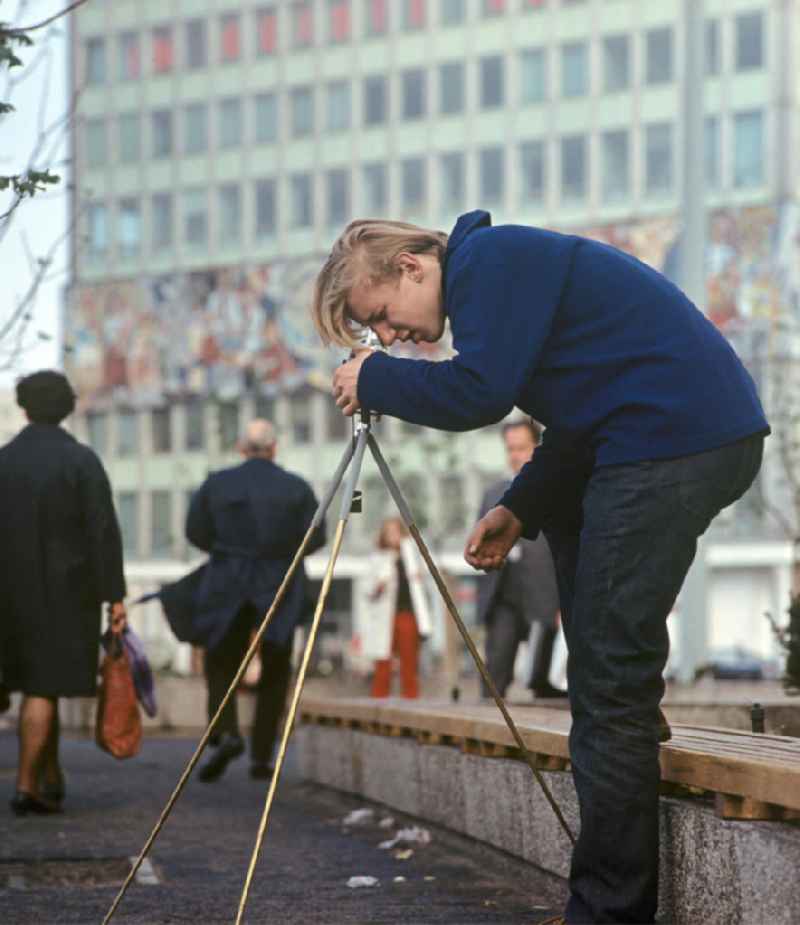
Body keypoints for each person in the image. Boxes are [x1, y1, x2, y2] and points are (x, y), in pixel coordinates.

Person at [312, 211, 769, 925]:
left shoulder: (487, 262)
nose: (392, 337)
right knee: (602, 657)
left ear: (409, 266)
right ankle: (624, 744)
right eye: (377, 336)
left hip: (672, 438)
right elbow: (583, 416)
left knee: (608, 681)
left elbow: (479, 392)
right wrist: (520, 506)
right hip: (667, 433)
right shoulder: (495, 273)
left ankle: (607, 909)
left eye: (381, 318)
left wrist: (375, 378)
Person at [0, 371, 126, 816]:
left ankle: (51, 777)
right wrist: (115, 596)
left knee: (38, 687)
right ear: (68, 407)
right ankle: (26, 785)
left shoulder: (4, 460)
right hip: (67, 594)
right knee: (43, 686)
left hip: (9, 593)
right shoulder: (81, 461)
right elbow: (103, 534)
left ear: (24, 407)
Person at [180, 419, 325, 783]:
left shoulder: (217, 483)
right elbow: (317, 534)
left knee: (220, 660)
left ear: (241, 448)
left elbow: (194, 530)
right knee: (276, 667)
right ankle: (262, 756)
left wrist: (226, 551)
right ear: (274, 448)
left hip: (228, 577)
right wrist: (283, 554)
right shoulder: (296, 487)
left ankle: (227, 731)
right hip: (279, 578)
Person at [477, 419, 564, 701]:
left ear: (537, 448)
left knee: (543, 680)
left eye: (521, 448)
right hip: (503, 593)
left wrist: (563, 600)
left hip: (543, 594)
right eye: (510, 449)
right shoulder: (491, 493)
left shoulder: (555, 490)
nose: (514, 455)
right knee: (494, 677)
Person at [364, 517, 432, 699]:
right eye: (389, 533)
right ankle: (379, 700)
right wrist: (379, 585)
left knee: (409, 661)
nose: (393, 537)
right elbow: (368, 588)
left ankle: (410, 699)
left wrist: (419, 576)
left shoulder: (411, 556)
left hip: (407, 613)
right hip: (385, 616)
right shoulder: (377, 557)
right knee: (383, 661)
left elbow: (422, 584)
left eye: (396, 532)